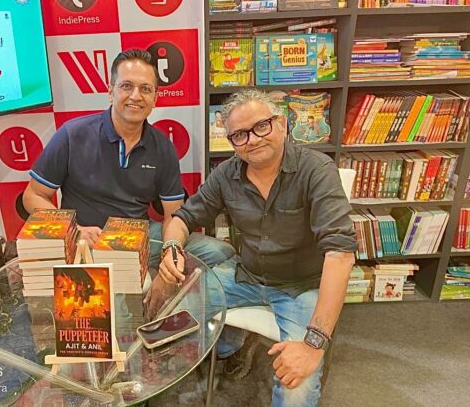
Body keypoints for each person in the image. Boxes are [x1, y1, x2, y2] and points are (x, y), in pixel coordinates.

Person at [148, 89, 357, 406]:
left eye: (261, 126)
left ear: (282, 124)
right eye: (240, 134)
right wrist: (171, 247)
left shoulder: (316, 170)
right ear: (231, 141)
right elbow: (183, 218)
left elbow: (340, 254)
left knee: (297, 386)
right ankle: (228, 348)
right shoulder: (226, 174)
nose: (253, 140)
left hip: (301, 286)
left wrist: (314, 344)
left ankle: (231, 345)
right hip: (245, 275)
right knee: (178, 308)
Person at [23, 49, 233, 269]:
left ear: (155, 98)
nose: (136, 96)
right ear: (110, 92)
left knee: (220, 253)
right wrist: (72, 230)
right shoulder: (73, 134)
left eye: (145, 89)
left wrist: (170, 250)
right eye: (126, 86)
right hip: (84, 240)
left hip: (138, 238)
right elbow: (33, 196)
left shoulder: (163, 147)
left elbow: (173, 216)